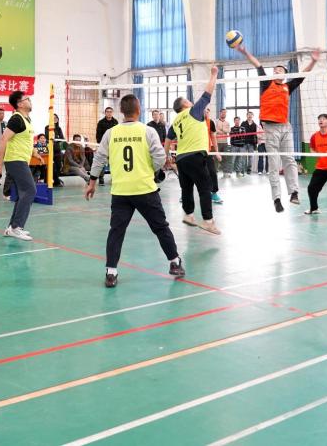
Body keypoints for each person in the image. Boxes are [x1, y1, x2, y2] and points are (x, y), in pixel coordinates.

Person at [86, 93, 184, 288]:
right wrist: (150, 171)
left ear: (121, 111)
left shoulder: (111, 133)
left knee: (116, 231)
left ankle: (111, 272)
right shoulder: (148, 131)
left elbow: (99, 158)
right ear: (139, 110)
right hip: (145, 189)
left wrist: (92, 181)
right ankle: (174, 262)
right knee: (160, 227)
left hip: (121, 191)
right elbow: (160, 157)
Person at [235, 42, 319, 213]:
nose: (276, 70)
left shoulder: (288, 87)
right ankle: (277, 199)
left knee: (289, 160)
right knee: (273, 164)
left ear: (286, 74)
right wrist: (244, 51)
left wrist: (313, 61)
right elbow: (257, 65)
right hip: (270, 128)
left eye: (280, 69)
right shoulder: (266, 83)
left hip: (286, 127)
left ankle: (294, 192)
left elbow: (302, 75)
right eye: (275, 69)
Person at [165, 65, 221, 234]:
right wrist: (214, 75)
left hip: (181, 159)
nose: (191, 102)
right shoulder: (192, 111)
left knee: (187, 188)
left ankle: (189, 215)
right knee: (205, 188)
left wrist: (166, 157)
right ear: (184, 104)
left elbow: (168, 140)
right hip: (195, 156)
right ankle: (208, 221)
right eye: (188, 101)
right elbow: (208, 93)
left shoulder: (175, 121)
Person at [0, 90, 42, 241]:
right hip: (15, 160)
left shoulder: (27, 119)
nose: (30, 101)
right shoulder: (16, 119)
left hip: (22, 160)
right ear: (20, 104)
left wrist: (35, 153)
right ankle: (16, 227)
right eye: (27, 99)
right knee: (30, 190)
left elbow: (26, 140)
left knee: (23, 193)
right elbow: (3, 140)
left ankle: (12, 227)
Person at [95, 107, 118, 185]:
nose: (109, 113)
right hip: (103, 146)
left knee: (113, 162)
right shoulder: (101, 122)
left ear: (112, 113)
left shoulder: (115, 122)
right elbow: (98, 135)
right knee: (102, 162)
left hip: (113, 146)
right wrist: (100, 144)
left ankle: (114, 178)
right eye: (107, 112)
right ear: (105, 113)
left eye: (110, 111)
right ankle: (101, 178)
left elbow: (117, 133)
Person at [46, 113, 66, 187]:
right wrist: (54, 138)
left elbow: (62, 138)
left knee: (58, 166)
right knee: (52, 166)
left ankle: (56, 179)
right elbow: (47, 137)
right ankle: (55, 181)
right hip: (51, 150)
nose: (55, 119)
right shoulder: (47, 127)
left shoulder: (59, 128)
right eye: (53, 118)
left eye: (56, 118)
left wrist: (56, 138)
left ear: (57, 119)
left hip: (58, 150)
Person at [215, 109, 232, 177]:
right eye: (223, 112)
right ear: (220, 113)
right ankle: (215, 172)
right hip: (217, 142)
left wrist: (222, 129)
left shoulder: (227, 122)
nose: (224, 114)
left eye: (225, 113)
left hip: (225, 142)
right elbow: (215, 130)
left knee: (225, 157)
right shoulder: (216, 121)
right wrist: (223, 131)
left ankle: (225, 172)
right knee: (216, 157)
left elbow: (228, 131)